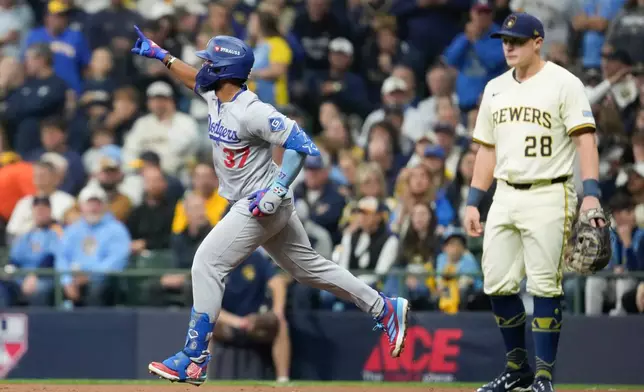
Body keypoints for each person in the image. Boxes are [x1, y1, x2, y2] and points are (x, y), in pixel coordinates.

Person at [130, 27, 410, 385]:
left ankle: (194, 356)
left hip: (261, 202)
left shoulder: (252, 110)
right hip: (254, 200)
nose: (204, 67)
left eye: (210, 63)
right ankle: (383, 307)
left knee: (207, 263)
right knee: (309, 270)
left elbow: (302, 144)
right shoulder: (215, 94)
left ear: (224, 71)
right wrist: (160, 54)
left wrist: (277, 189)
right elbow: (190, 77)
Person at [463, 13, 604, 392]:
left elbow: (585, 141)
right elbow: (486, 150)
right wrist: (474, 200)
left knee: (544, 285)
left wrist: (591, 191)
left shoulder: (564, 83)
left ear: (537, 42)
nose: (509, 46)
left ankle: (544, 377)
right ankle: (518, 369)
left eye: (517, 40)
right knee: (496, 283)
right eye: (505, 40)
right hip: (505, 193)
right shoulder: (494, 88)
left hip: (549, 191)